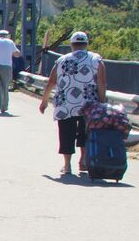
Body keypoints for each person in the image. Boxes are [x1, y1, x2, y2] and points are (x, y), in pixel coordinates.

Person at [40, 31, 106, 176]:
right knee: (86, 132)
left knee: (66, 133)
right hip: (88, 104)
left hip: (65, 103)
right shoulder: (96, 59)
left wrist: (44, 101)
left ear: (71, 45)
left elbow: (51, 82)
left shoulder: (61, 60)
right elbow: (101, 82)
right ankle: (83, 160)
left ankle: (67, 165)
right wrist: (102, 102)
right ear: (86, 44)